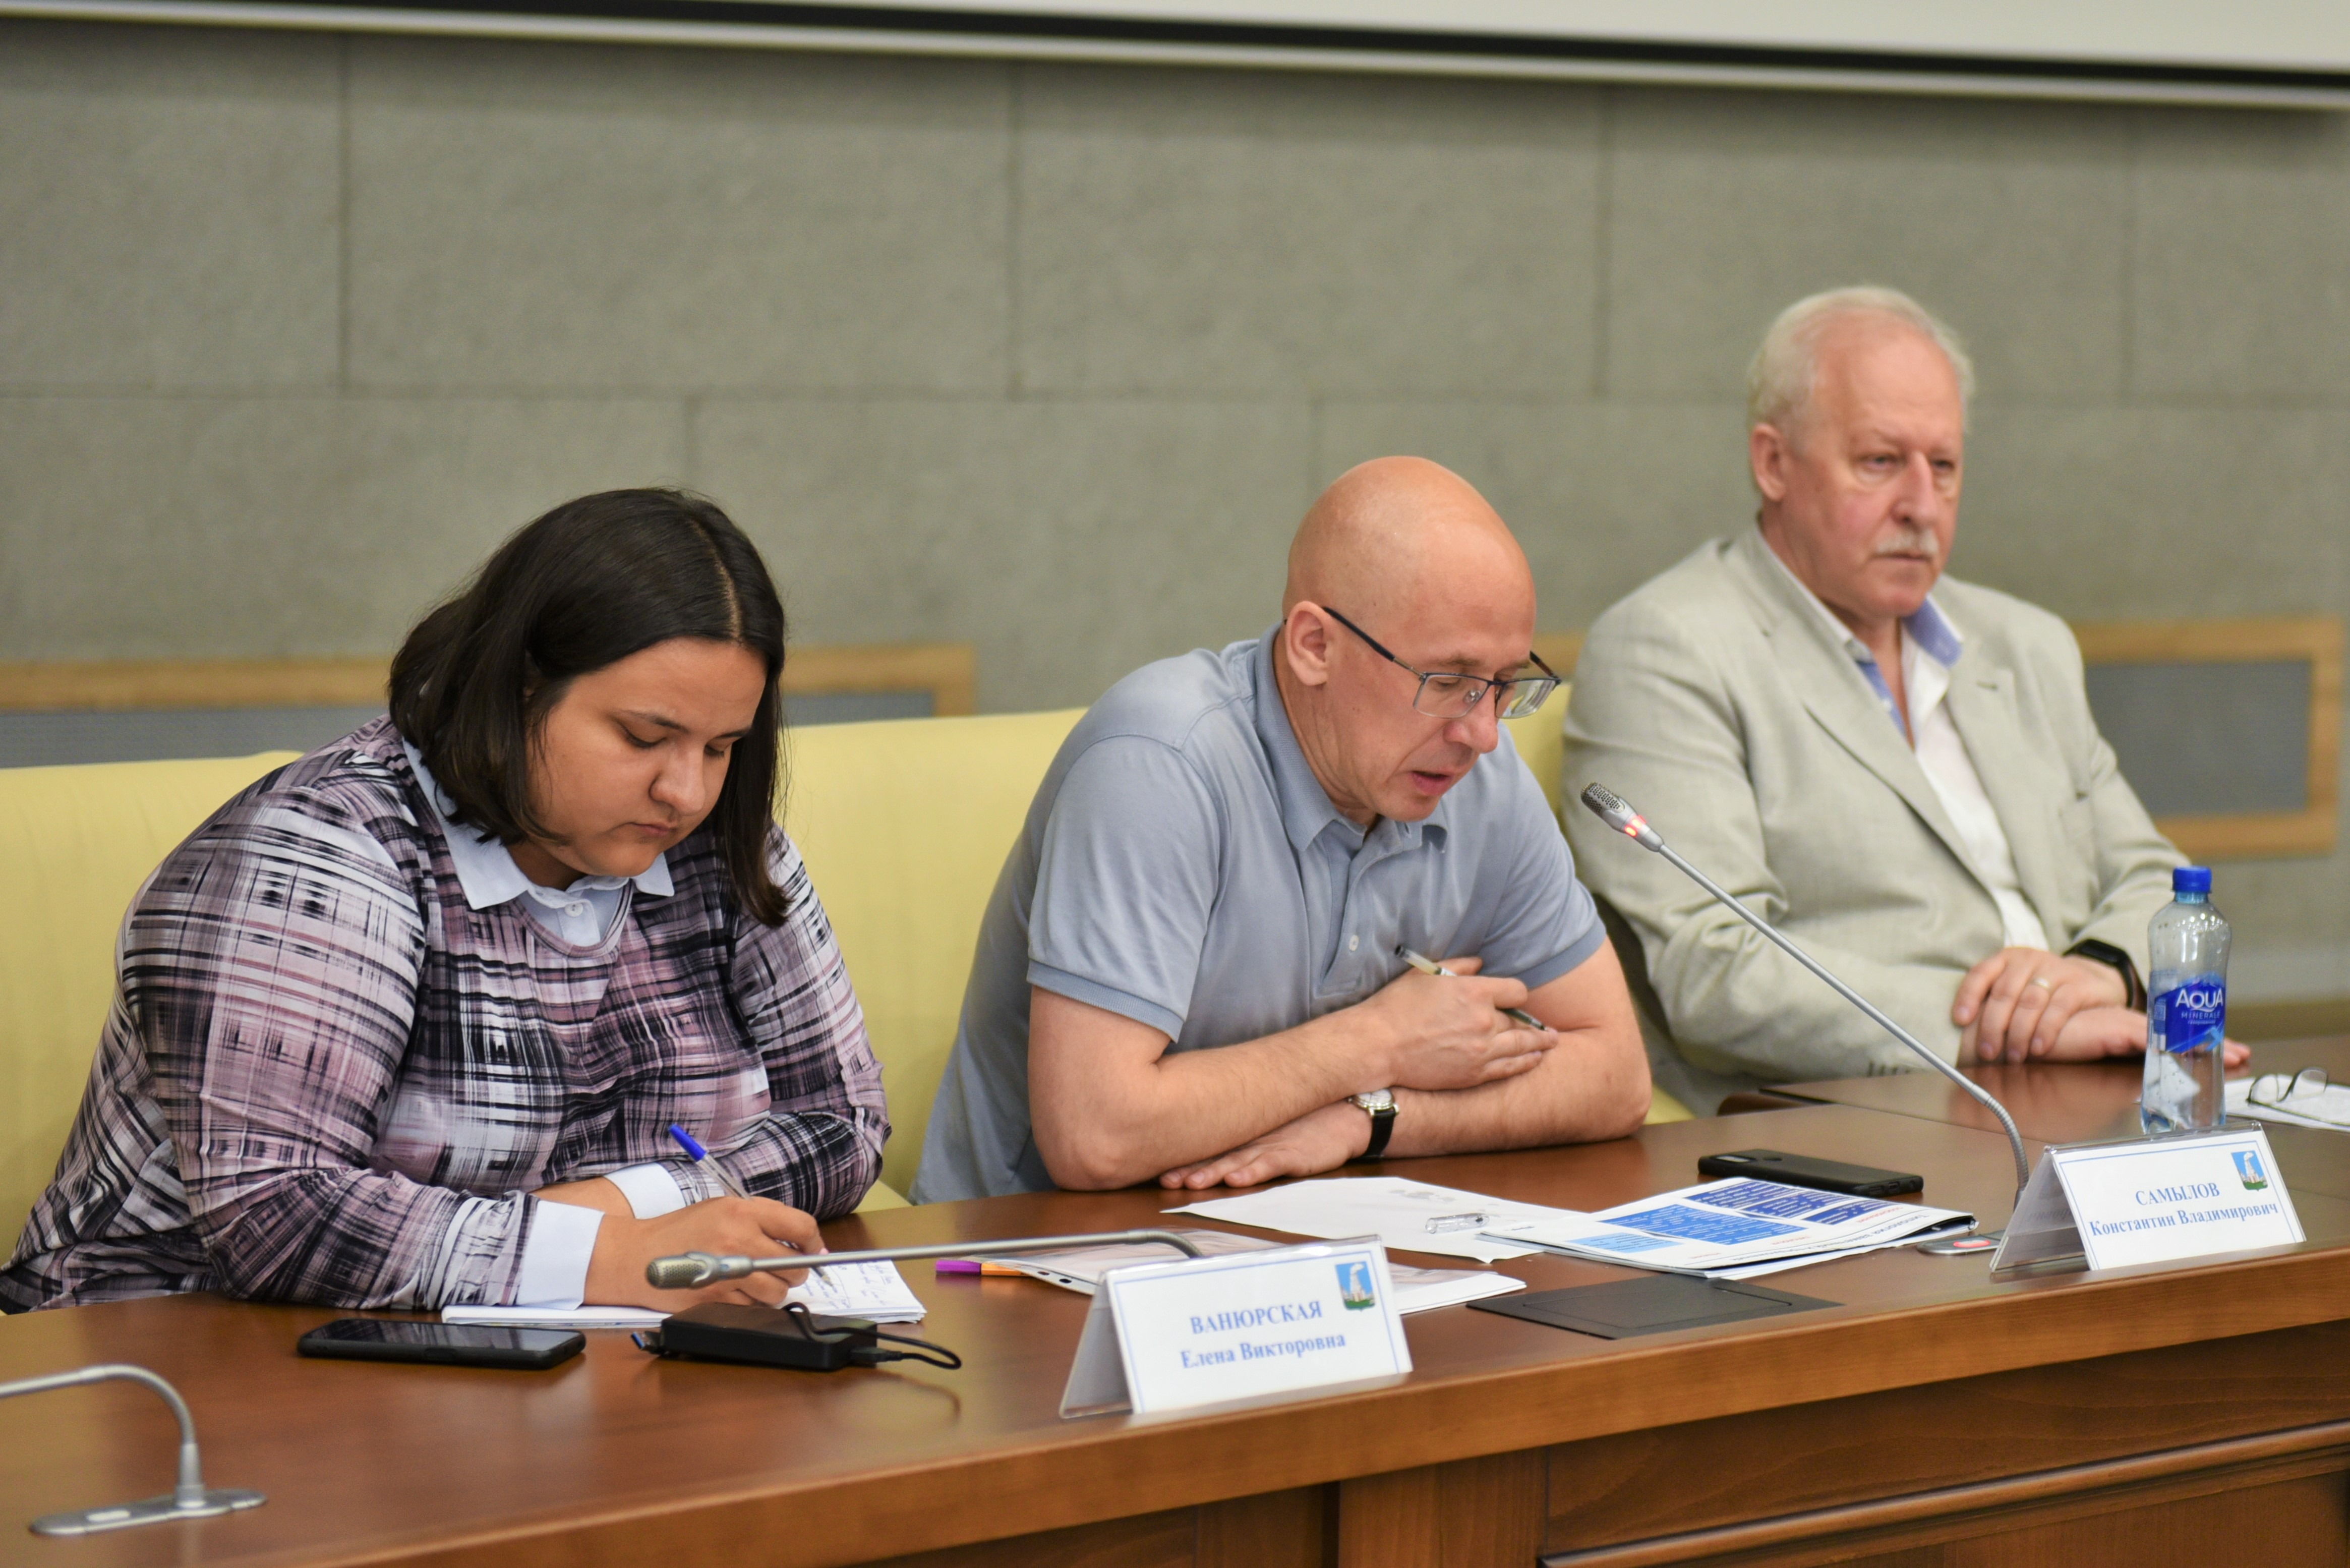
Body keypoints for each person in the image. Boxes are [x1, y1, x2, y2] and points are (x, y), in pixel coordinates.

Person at [1, 490, 886, 1313]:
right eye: (643, 736)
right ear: (518, 687)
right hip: (170, 1348)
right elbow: (278, 1216)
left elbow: (844, 1122)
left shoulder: (723, 848)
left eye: (722, 747)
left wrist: (628, 1210)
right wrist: (606, 1252)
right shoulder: (323, 850)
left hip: (541, 1343)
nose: (685, 791)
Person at [1563, 286, 2244, 1113]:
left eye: (1944, 467)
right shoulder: (1668, 646)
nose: (1922, 505)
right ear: (1773, 463)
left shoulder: (2026, 643)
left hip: (2098, 1077)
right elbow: (1713, 969)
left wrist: (2102, 970)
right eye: (1881, 462)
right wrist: (2001, 1028)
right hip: (1857, 1119)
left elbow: (2159, 881)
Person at [914, 457, 1649, 1203]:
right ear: (1315, 646)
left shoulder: (1480, 774)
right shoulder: (1160, 763)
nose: (1484, 733)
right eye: (1448, 682)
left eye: (1504, 684)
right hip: (1037, 1248)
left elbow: (1616, 1076)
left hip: (1317, 1233)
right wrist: (1380, 1041)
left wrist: (1372, 1119)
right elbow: (1094, 1136)